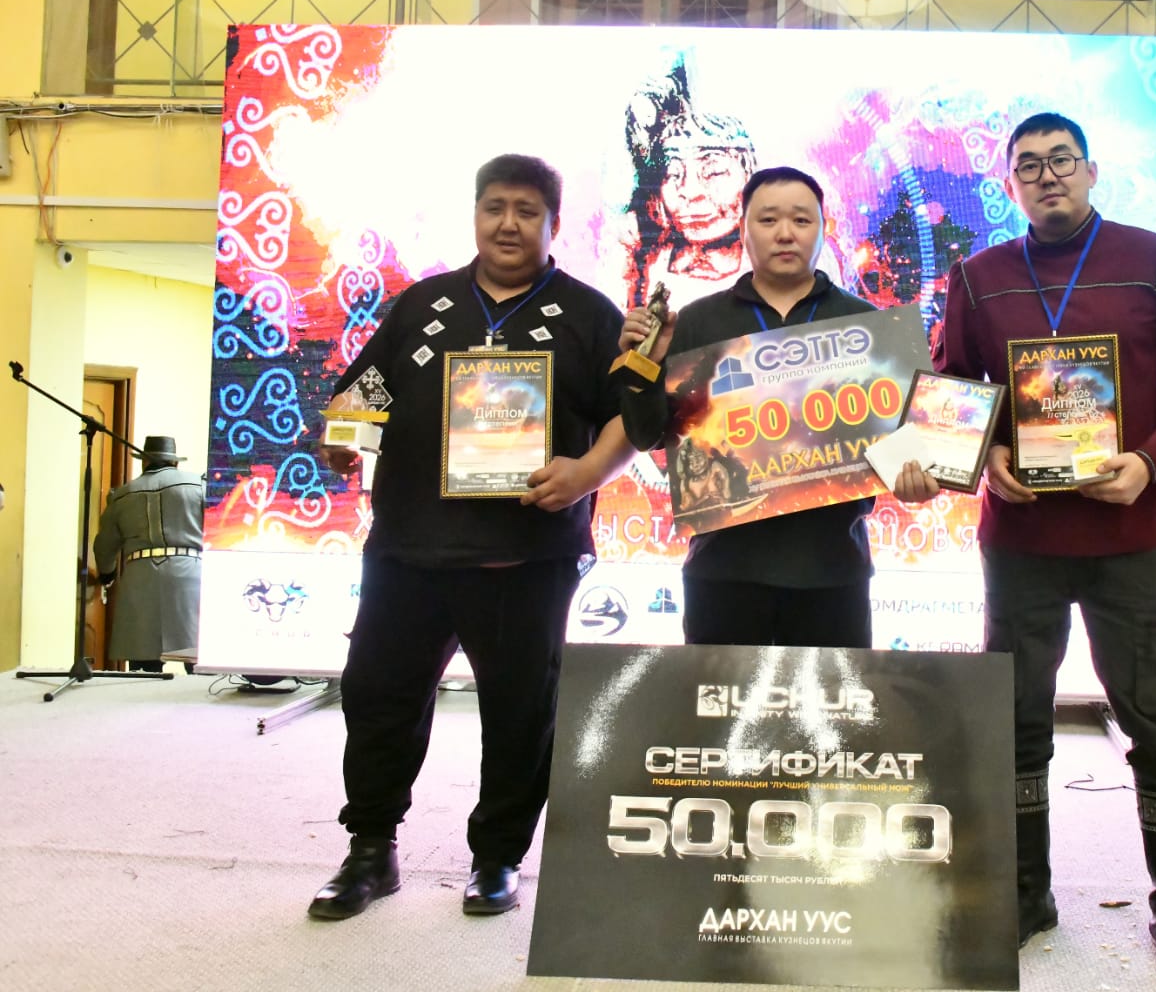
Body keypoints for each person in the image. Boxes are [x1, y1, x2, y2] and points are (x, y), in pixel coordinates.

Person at [934, 113, 1156, 985]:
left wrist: (1148, 460)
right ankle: (1028, 895)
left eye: (1061, 159)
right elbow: (953, 395)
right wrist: (985, 457)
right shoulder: (978, 277)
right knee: (1015, 724)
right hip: (1022, 539)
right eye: (1028, 165)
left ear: (1091, 169)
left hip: (1132, 537)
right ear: (1010, 185)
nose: (1047, 174)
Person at [307, 154, 635, 922]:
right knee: (377, 697)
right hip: (408, 550)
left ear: (554, 223)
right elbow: (362, 399)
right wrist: (342, 439)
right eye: (495, 207)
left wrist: (587, 472)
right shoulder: (421, 305)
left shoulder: (590, 315)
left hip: (527, 556)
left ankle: (497, 859)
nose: (508, 224)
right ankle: (370, 850)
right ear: (476, 214)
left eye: (527, 210)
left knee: (521, 712)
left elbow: (635, 416)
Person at [617, 165, 938, 648]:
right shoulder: (698, 321)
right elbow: (647, 436)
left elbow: (908, 445)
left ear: (825, 228)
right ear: (743, 229)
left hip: (833, 572)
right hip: (722, 572)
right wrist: (642, 365)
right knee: (722, 700)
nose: (785, 233)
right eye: (768, 220)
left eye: (801, 220)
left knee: (827, 700)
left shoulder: (866, 324)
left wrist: (917, 477)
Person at [622, 58, 758, 309]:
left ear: (749, 173)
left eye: (713, 172)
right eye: (673, 174)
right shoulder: (647, 268)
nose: (690, 192)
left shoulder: (781, 263)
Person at [91, 435, 204, 672]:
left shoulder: (122, 495)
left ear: (144, 461)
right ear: (175, 462)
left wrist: (107, 574)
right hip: (190, 574)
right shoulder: (198, 486)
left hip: (140, 578)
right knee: (199, 661)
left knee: (143, 667)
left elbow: (104, 545)